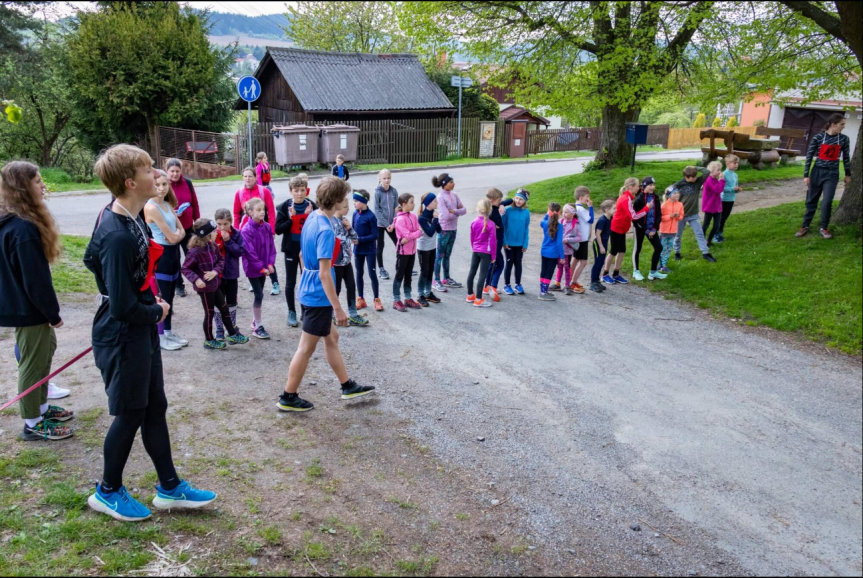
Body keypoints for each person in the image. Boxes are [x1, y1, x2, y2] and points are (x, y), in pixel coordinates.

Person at [84, 144, 216, 522]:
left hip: (139, 330)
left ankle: (170, 488)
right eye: (147, 169)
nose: (156, 173)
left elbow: (93, 260)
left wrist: (145, 293)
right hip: (123, 332)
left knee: (154, 405)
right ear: (130, 182)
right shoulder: (117, 233)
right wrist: (155, 308)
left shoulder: (134, 216)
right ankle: (107, 492)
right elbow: (122, 305)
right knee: (129, 412)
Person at [276, 177, 375, 412]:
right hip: (318, 296)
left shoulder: (313, 216)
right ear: (338, 200)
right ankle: (288, 397)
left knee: (332, 338)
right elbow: (324, 274)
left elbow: (301, 254)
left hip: (310, 290)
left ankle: (347, 386)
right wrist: (338, 308)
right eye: (345, 198)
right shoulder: (326, 229)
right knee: (305, 348)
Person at [1, 161, 73, 441]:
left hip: (22, 305)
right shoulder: (22, 228)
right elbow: (35, 281)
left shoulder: (14, 220)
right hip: (26, 308)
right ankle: (33, 422)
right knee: (33, 363)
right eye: (37, 182)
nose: (43, 186)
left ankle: (41, 408)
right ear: (22, 188)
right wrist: (52, 313)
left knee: (45, 350)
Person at [181, 218, 250, 350]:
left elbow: (220, 261)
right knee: (209, 313)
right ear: (206, 234)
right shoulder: (195, 251)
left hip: (215, 284)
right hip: (205, 289)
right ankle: (209, 340)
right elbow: (185, 268)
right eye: (214, 231)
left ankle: (232, 335)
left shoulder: (212, 246)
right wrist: (197, 279)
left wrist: (214, 271)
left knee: (224, 309)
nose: (217, 233)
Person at [145, 169, 187, 351]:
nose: (161, 188)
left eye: (164, 184)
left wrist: (177, 235)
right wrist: (177, 235)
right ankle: (159, 336)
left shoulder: (168, 205)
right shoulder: (151, 207)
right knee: (161, 296)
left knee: (170, 296)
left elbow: (182, 231)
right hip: (161, 255)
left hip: (173, 255)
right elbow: (171, 236)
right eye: (157, 185)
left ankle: (168, 332)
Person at [796, 113, 852, 239]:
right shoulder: (818, 138)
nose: (844, 127)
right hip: (817, 172)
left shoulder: (844, 139)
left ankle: (824, 228)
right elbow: (809, 156)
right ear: (833, 124)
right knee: (811, 200)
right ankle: (804, 226)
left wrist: (848, 174)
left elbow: (846, 158)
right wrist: (806, 175)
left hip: (832, 173)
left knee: (827, 201)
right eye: (842, 124)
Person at [275, 176, 318, 327]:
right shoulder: (283, 207)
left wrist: (310, 216)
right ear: (290, 191)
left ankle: (304, 310)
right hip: (291, 248)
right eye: (296, 191)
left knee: (306, 279)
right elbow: (278, 229)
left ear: (306, 190)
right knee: (291, 281)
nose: (299, 194)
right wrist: (291, 219)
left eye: (302, 190)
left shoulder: (313, 206)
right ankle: (291, 311)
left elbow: (318, 227)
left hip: (307, 248)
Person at [233, 167, 279, 295]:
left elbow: (271, 212)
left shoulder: (264, 191)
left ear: (255, 177)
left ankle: (274, 282)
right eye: (245, 176)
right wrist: (236, 231)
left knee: (267, 253)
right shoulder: (240, 193)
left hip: (263, 228)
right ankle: (255, 282)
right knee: (251, 254)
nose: (248, 178)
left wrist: (272, 230)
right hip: (247, 229)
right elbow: (236, 214)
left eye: (250, 176)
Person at [241, 198, 277, 339]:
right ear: (250, 212)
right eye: (259, 210)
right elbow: (250, 253)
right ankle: (258, 326)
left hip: (264, 267)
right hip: (252, 268)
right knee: (259, 294)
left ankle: (255, 319)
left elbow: (271, 247)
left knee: (260, 292)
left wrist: (270, 263)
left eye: (263, 209)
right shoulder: (246, 230)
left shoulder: (267, 227)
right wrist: (261, 268)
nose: (262, 212)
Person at [603, 178, 651, 285]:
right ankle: (605, 274)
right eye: (638, 186)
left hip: (622, 229)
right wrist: (646, 209)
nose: (639, 188)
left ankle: (616, 274)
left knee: (622, 251)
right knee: (613, 252)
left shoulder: (628, 198)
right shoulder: (625, 199)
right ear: (631, 187)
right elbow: (633, 216)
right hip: (616, 229)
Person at [165, 158, 200, 298]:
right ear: (167, 171)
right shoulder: (163, 185)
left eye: (177, 171)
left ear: (181, 171)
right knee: (175, 259)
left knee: (192, 256)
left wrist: (197, 222)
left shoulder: (188, 183)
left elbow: (195, 203)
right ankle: (179, 286)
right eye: (172, 171)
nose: (174, 174)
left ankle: (197, 283)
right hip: (171, 229)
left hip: (187, 228)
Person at [331, 196, 368, 326]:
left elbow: (355, 238)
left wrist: (350, 228)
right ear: (337, 206)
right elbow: (339, 241)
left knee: (351, 286)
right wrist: (348, 237)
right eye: (345, 207)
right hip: (337, 262)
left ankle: (353, 314)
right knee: (336, 288)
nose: (348, 209)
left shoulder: (344, 220)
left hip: (347, 261)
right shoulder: (333, 223)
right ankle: (332, 314)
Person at [668, 165, 715, 262]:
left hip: (693, 214)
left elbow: (707, 172)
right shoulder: (679, 184)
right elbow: (668, 193)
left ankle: (705, 253)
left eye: (696, 176)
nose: (696, 178)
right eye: (693, 177)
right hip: (680, 215)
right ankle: (677, 253)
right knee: (678, 235)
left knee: (699, 233)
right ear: (686, 177)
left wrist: (695, 167)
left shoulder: (698, 182)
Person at [213, 208, 244, 341]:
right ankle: (219, 327)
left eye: (225, 224)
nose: (222, 227)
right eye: (219, 224)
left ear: (230, 222)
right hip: (217, 276)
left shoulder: (236, 234)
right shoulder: (212, 234)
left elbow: (240, 251)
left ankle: (231, 325)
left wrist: (228, 241)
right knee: (218, 303)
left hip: (231, 274)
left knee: (232, 302)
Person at [432, 173, 466, 291]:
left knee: (448, 254)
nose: (453, 183)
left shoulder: (454, 195)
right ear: (444, 184)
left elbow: (464, 210)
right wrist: (456, 213)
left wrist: (455, 211)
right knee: (439, 255)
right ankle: (436, 279)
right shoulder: (440, 197)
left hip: (453, 229)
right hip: (444, 229)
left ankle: (446, 278)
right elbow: (445, 216)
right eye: (451, 182)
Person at [351, 189, 383, 311]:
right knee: (359, 273)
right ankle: (361, 298)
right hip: (358, 250)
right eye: (354, 200)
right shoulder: (355, 214)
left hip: (370, 250)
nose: (354, 203)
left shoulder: (371, 216)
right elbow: (353, 230)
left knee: (372, 274)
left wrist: (360, 240)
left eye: (356, 201)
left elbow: (375, 235)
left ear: (364, 202)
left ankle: (376, 299)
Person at [392, 193, 423, 312]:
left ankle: (408, 298)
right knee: (399, 276)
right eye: (411, 202)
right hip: (403, 252)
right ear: (404, 204)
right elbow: (410, 234)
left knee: (409, 275)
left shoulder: (413, 216)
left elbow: (418, 231)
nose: (414, 204)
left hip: (412, 251)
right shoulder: (400, 219)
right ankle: (396, 300)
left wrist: (413, 235)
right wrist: (414, 234)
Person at [632, 176, 665, 281]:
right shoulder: (639, 199)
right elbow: (635, 218)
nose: (652, 187)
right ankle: (636, 271)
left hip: (652, 229)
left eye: (654, 185)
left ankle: (653, 272)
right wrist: (646, 230)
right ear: (645, 186)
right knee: (638, 248)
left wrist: (654, 228)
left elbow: (659, 214)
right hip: (640, 228)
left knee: (659, 247)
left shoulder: (656, 197)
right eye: (650, 185)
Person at [465, 198, 497, 307]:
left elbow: (471, 237)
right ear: (490, 210)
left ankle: (470, 295)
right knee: (482, 275)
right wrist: (493, 255)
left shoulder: (474, 222)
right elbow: (493, 242)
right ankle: (479, 299)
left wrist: (474, 247)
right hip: (486, 252)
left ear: (478, 209)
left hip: (476, 250)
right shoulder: (491, 224)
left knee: (472, 272)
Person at [482, 188, 509, 302]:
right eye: (499, 199)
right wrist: (492, 225)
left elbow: (510, 200)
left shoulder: (496, 207)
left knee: (492, 264)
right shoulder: (490, 211)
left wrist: (502, 204)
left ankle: (487, 286)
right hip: (495, 243)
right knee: (499, 264)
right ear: (492, 200)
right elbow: (485, 222)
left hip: (498, 241)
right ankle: (493, 285)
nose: (501, 201)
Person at [416, 192, 443, 306]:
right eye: (435, 201)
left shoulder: (433, 214)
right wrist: (435, 220)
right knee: (424, 271)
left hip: (432, 246)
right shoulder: (422, 218)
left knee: (430, 269)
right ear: (428, 204)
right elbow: (430, 232)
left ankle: (428, 292)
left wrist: (436, 219)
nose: (437, 202)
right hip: (423, 248)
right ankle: (420, 294)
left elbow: (439, 230)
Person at [502, 188, 530, 296]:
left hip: (520, 244)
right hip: (508, 243)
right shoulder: (508, 210)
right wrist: (504, 241)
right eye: (517, 198)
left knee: (518, 264)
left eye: (521, 199)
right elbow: (503, 227)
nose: (518, 201)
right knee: (509, 263)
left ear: (525, 201)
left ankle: (518, 284)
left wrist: (525, 243)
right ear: (514, 198)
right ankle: (507, 285)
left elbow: (526, 228)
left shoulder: (526, 212)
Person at [373, 169, 398, 279]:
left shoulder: (394, 191)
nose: (386, 180)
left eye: (388, 178)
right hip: (380, 224)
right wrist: (386, 224)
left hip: (392, 224)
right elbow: (377, 210)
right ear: (380, 179)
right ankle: (381, 269)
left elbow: (397, 207)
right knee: (380, 246)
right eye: (384, 178)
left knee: (399, 243)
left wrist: (393, 222)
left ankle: (401, 265)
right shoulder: (377, 192)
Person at [551, 204, 579, 294]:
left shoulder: (575, 224)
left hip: (567, 250)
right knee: (559, 266)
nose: (564, 214)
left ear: (572, 214)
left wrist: (567, 240)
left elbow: (579, 238)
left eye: (566, 212)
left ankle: (567, 286)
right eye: (563, 212)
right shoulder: (560, 221)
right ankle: (557, 283)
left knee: (567, 267)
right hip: (559, 250)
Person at [539, 202, 565, 301]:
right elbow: (559, 243)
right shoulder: (560, 227)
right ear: (559, 213)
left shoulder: (544, 223)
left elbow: (542, 221)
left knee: (544, 271)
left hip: (544, 251)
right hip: (553, 254)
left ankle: (542, 290)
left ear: (549, 212)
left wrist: (547, 214)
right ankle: (543, 293)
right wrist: (562, 256)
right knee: (549, 273)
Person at [570, 186, 594, 293]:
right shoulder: (581, 209)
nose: (588, 199)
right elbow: (591, 220)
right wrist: (591, 207)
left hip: (577, 239)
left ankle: (569, 280)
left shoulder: (574, 207)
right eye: (587, 197)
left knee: (575, 259)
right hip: (582, 240)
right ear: (581, 197)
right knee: (583, 262)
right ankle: (573, 282)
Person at [590, 200, 614, 293]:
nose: (615, 210)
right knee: (598, 263)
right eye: (614, 208)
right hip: (598, 244)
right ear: (607, 210)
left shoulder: (610, 218)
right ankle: (593, 283)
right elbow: (598, 233)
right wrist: (601, 246)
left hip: (604, 243)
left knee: (601, 263)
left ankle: (597, 281)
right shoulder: (602, 220)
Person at [716, 154, 741, 243]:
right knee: (721, 218)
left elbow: (735, 186)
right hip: (723, 200)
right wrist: (732, 189)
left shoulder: (735, 175)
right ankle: (716, 235)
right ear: (728, 164)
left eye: (737, 163)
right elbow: (721, 188)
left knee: (725, 217)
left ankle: (720, 234)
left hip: (731, 199)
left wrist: (737, 189)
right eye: (734, 163)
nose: (736, 165)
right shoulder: (723, 174)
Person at [700, 161, 725, 249]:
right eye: (718, 170)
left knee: (716, 225)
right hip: (709, 206)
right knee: (706, 225)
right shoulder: (709, 180)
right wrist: (722, 180)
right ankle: (702, 240)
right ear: (711, 171)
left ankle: (709, 240)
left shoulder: (714, 179)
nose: (720, 172)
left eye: (720, 170)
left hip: (717, 206)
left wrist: (720, 181)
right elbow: (718, 189)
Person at [659, 189, 684, 274]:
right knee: (662, 248)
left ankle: (663, 265)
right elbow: (660, 218)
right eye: (675, 193)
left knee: (669, 248)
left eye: (678, 193)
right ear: (669, 195)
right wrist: (670, 216)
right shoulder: (664, 205)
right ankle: (662, 265)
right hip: (664, 230)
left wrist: (677, 216)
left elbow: (681, 216)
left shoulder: (680, 204)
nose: (677, 195)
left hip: (673, 231)